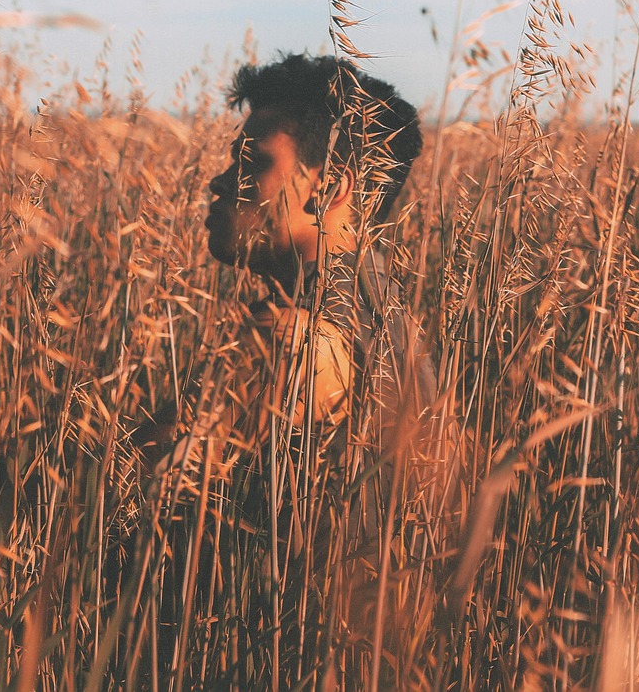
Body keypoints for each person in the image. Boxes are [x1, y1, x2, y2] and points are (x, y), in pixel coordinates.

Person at [182, 52, 443, 687]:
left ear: (333, 187)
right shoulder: (380, 317)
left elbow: (156, 508)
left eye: (253, 164)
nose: (220, 182)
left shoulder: (306, 343)